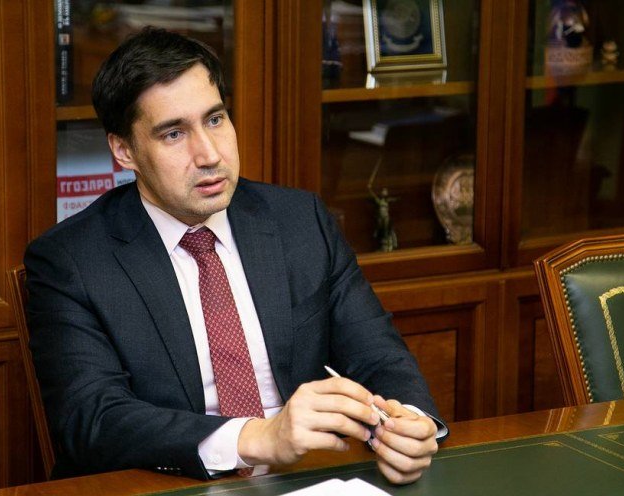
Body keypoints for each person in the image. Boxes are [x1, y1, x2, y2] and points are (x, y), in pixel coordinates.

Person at [24, 26, 447, 484]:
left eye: (215, 119)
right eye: (173, 134)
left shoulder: (300, 220)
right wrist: (256, 437)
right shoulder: (71, 261)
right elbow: (91, 419)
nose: (209, 154)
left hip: (308, 482)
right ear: (124, 150)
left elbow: (378, 356)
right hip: (169, 484)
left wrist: (411, 422)